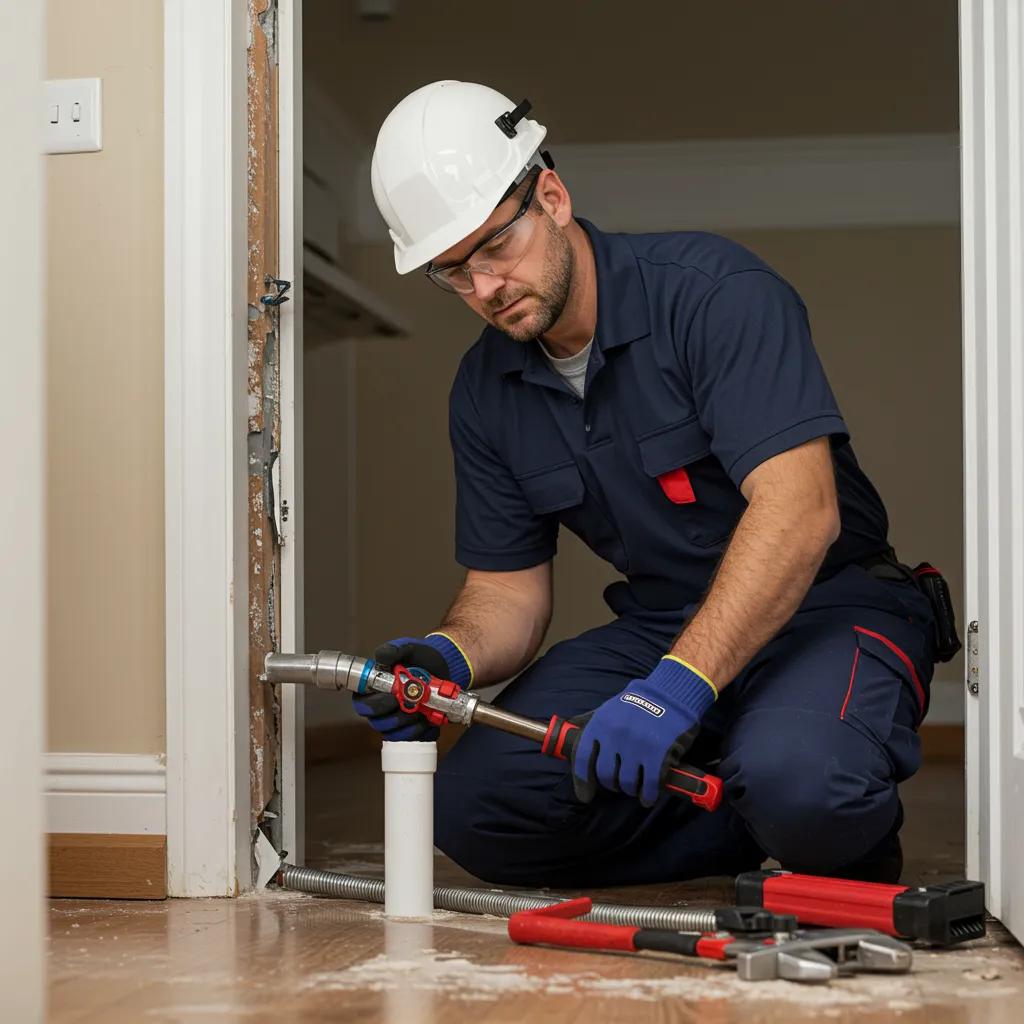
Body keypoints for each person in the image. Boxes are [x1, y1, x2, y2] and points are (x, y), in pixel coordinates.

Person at [354, 80, 943, 887]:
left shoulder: (714, 295)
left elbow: (801, 513)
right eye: (452, 272)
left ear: (552, 197)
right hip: (663, 623)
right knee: (476, 808)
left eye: (495, 247)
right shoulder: (484, 389)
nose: (484, 289)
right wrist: (446, 655)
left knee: (805, 785)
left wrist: (677, 690)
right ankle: (756, 817)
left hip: (826, 606)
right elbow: (507, 590)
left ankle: (807, 806)